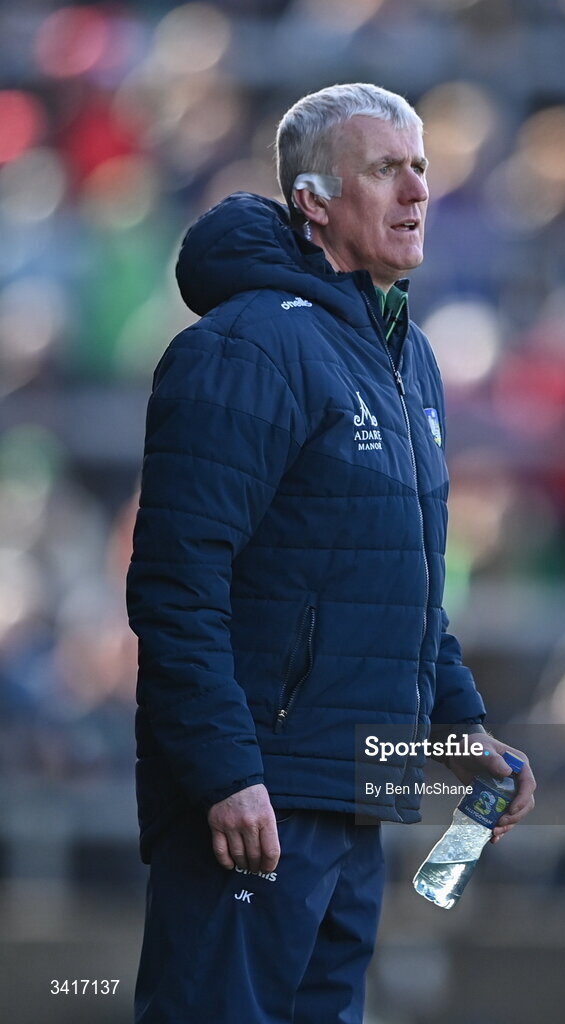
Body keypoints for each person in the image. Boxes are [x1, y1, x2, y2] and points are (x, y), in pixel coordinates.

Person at [126, 82, 535, 1024]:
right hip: (260, 794)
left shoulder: (406, 359)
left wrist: (456, 729)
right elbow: (177, 583)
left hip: (358, 791)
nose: (417, 191)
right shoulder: (248, 345)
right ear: (312, 201)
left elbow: (402, 581)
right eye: (386, 170)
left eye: (421, 168)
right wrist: (226, 772)